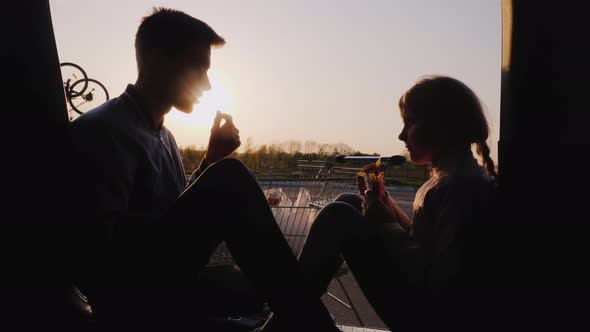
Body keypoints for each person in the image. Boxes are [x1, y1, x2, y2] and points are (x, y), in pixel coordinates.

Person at [67, 7, 340, 332]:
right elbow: (96, 260)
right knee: (230, 178)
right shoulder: (103, 130)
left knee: (250, 287)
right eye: (197, 67)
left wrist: (210, 161)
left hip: (159, 282)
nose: (208, 84)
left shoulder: (161, 135)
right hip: (129, 299)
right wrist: (216, 177)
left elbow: (170, 214)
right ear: (156, 61)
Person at [262, 75, 500, 332]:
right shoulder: (450, 179)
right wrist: (386, 204)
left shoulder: (461, 188)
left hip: (431, 319)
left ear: (443, 125)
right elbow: (425, 240)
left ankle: (282, 322)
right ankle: (288, 318)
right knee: (350, 202)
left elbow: (438, 281)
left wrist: (385, 223)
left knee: (338, 216)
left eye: (410, 123)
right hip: (427, 306)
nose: (401, 135)